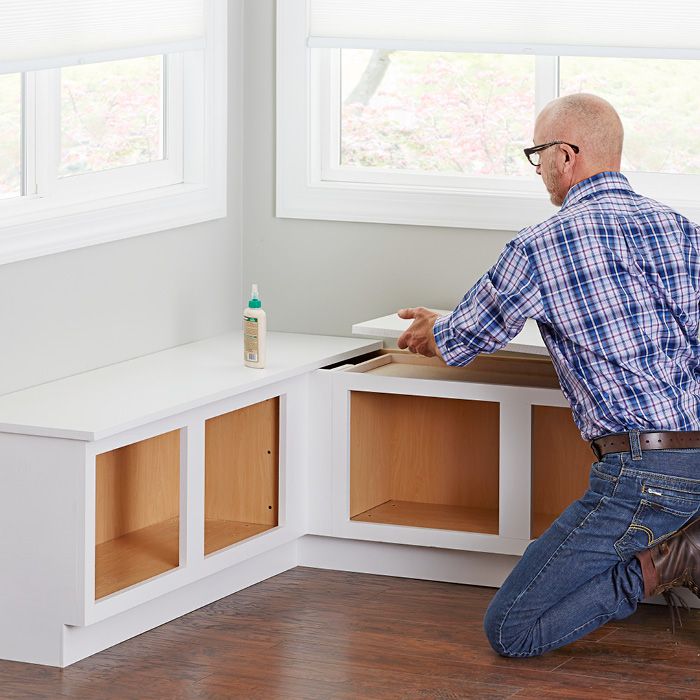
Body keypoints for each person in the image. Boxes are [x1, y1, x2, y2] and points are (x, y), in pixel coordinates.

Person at [397, 93, 700, 658]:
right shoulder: (680, 229)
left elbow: (462, 339)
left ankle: (673, 559)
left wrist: (431, 328)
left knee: (512, 629)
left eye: (538, 155)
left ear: (567, 155)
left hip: (642, 471)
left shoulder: (543, 244)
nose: (537, 170)